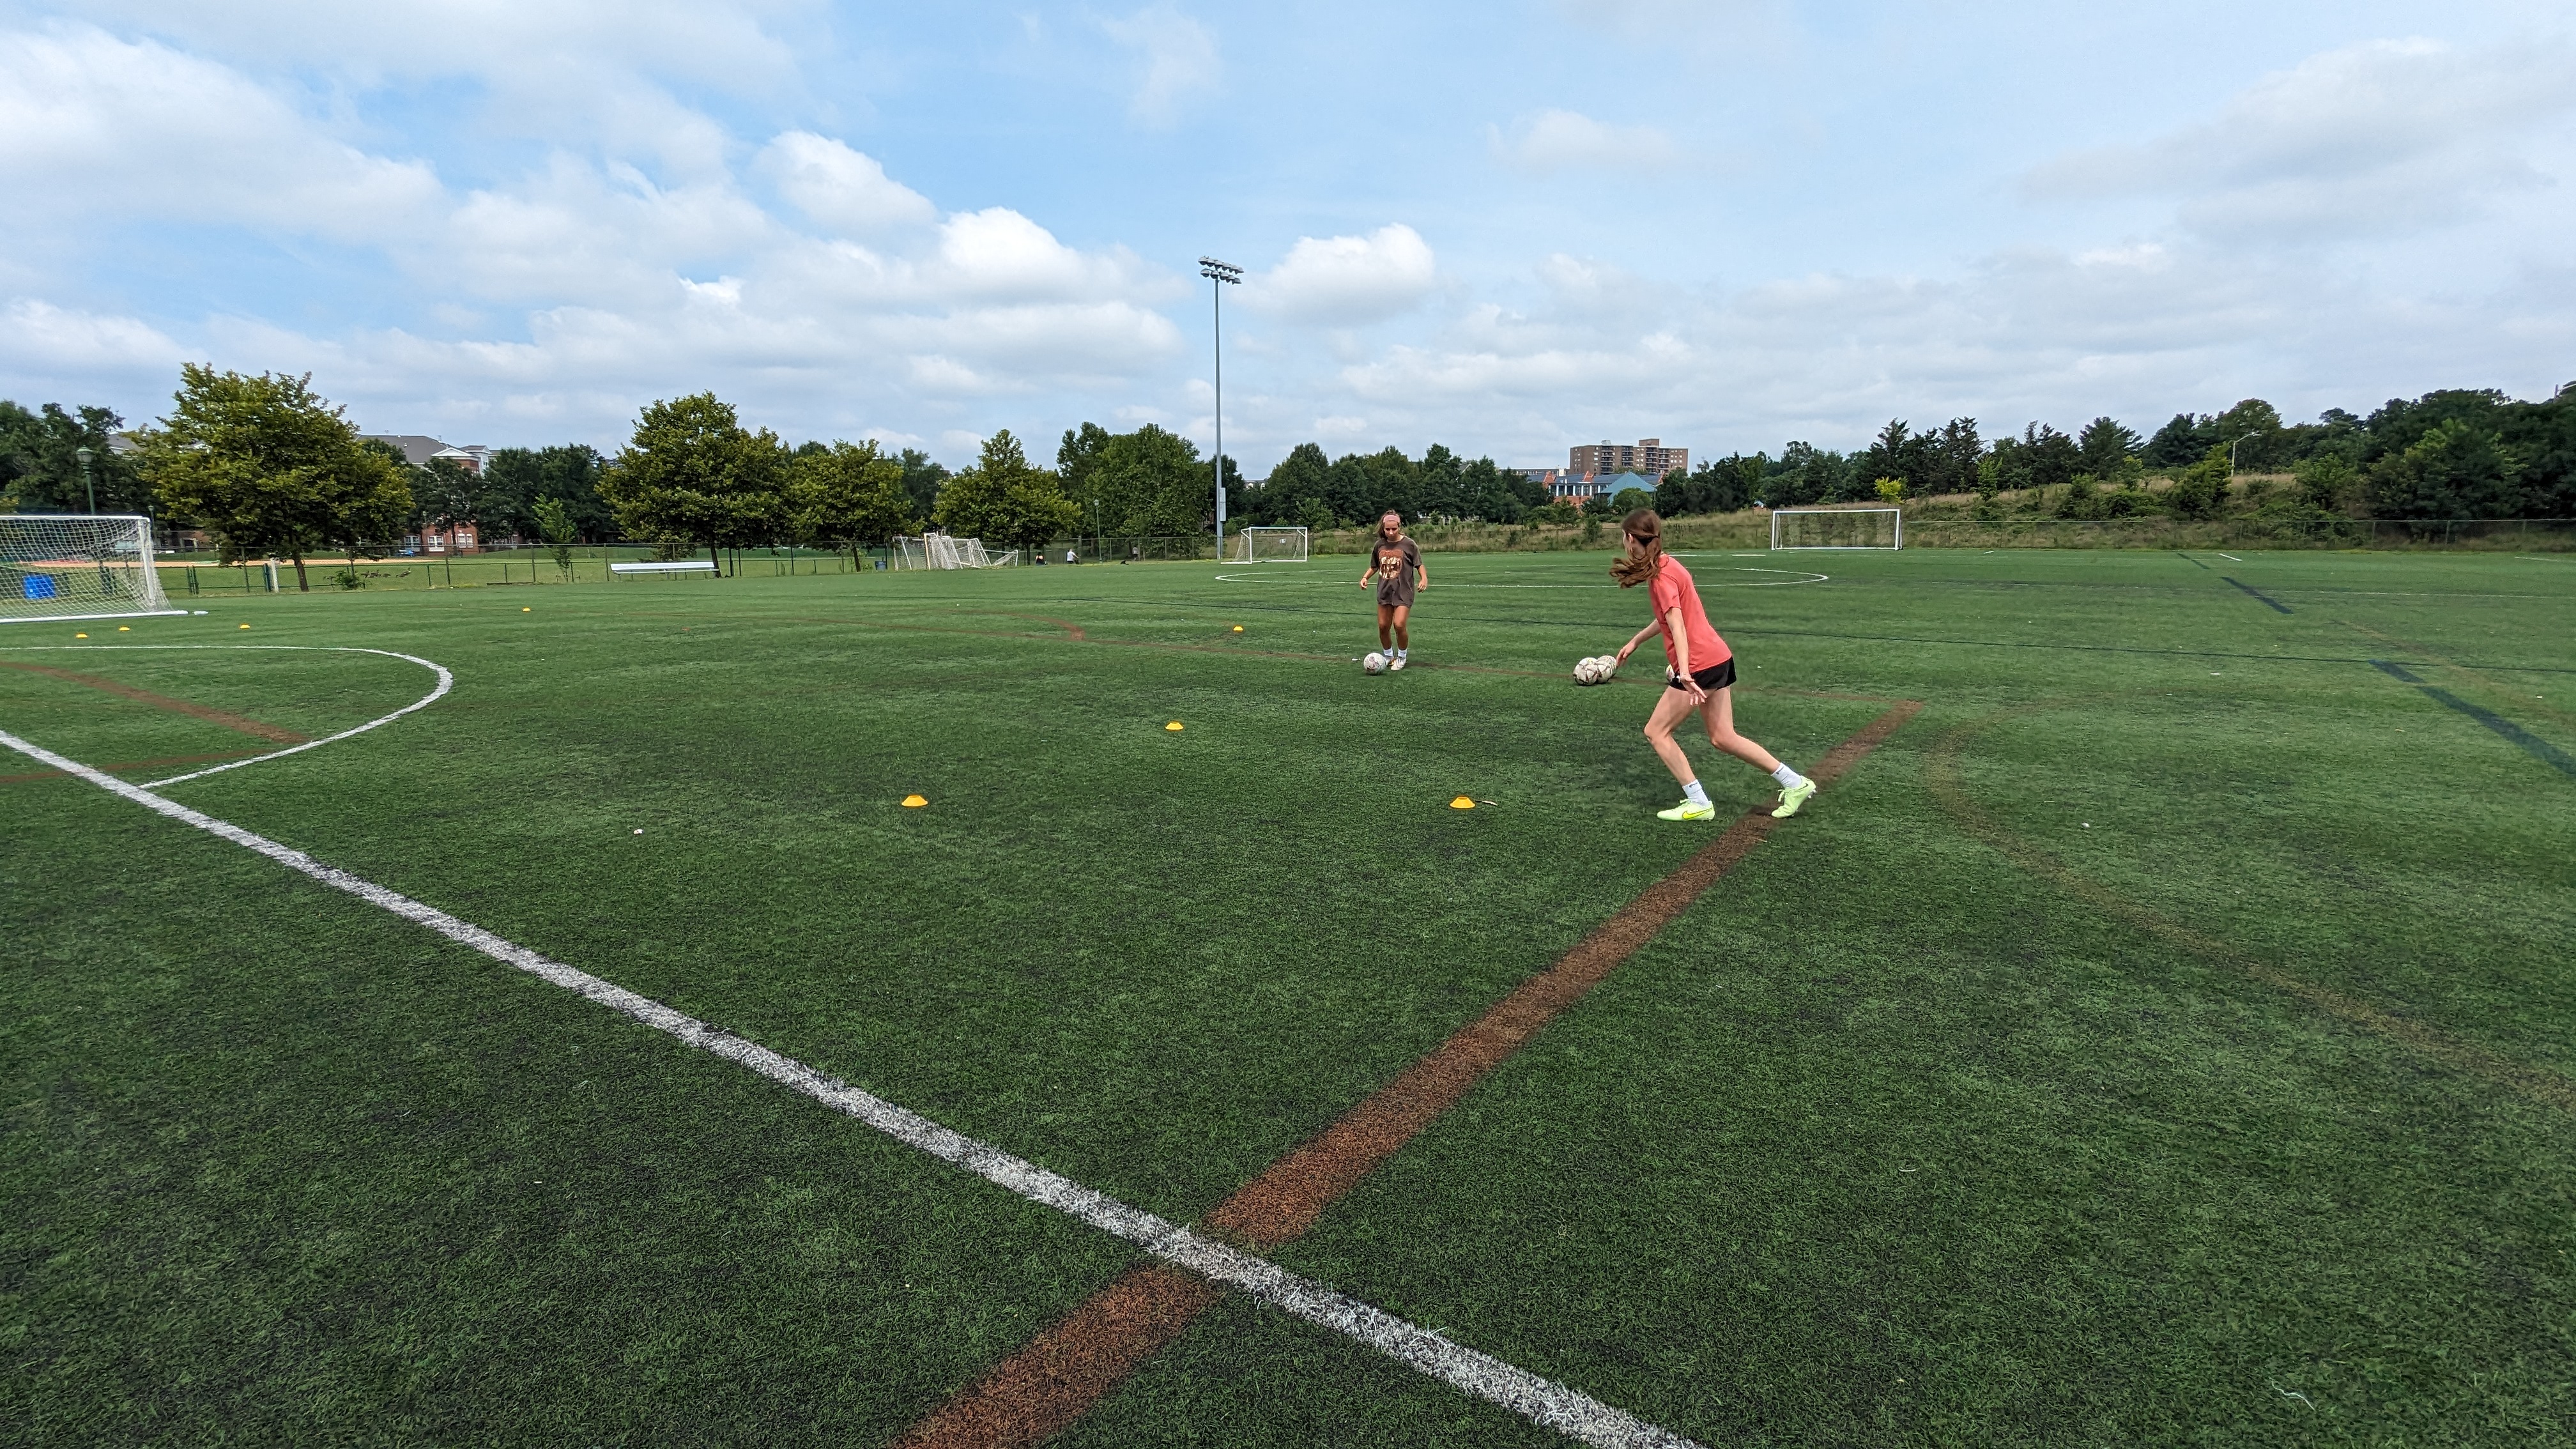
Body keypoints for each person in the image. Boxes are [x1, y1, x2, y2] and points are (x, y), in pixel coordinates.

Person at [1609, 509, 1815, 821]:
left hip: (1700, 663)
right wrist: (1636, 641)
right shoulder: (1668, 564)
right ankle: (1795, 782)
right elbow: (1669, 615)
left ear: (1629, 538)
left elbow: (1677, 624)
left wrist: (1685, 672)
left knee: (1656, 731)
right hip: (1718, 656)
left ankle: (1698, 801)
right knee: (1723, 737)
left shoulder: (1662, 576)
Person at [1355, 510, 1426, 668]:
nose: (1391, 532)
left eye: (1394, 529)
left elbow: (1419, 564)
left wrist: (1424, 579)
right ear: (1384, 528)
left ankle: (1402, 657)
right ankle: (1388, 656)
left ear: (1399, 527)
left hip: (1403, 591)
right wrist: (1365, 577)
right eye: (1388, 529)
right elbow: (1375, 566)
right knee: (1383, 626)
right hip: (1385, 591)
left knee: (1399, 625)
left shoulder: (1409, 544)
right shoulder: (1379, 545)